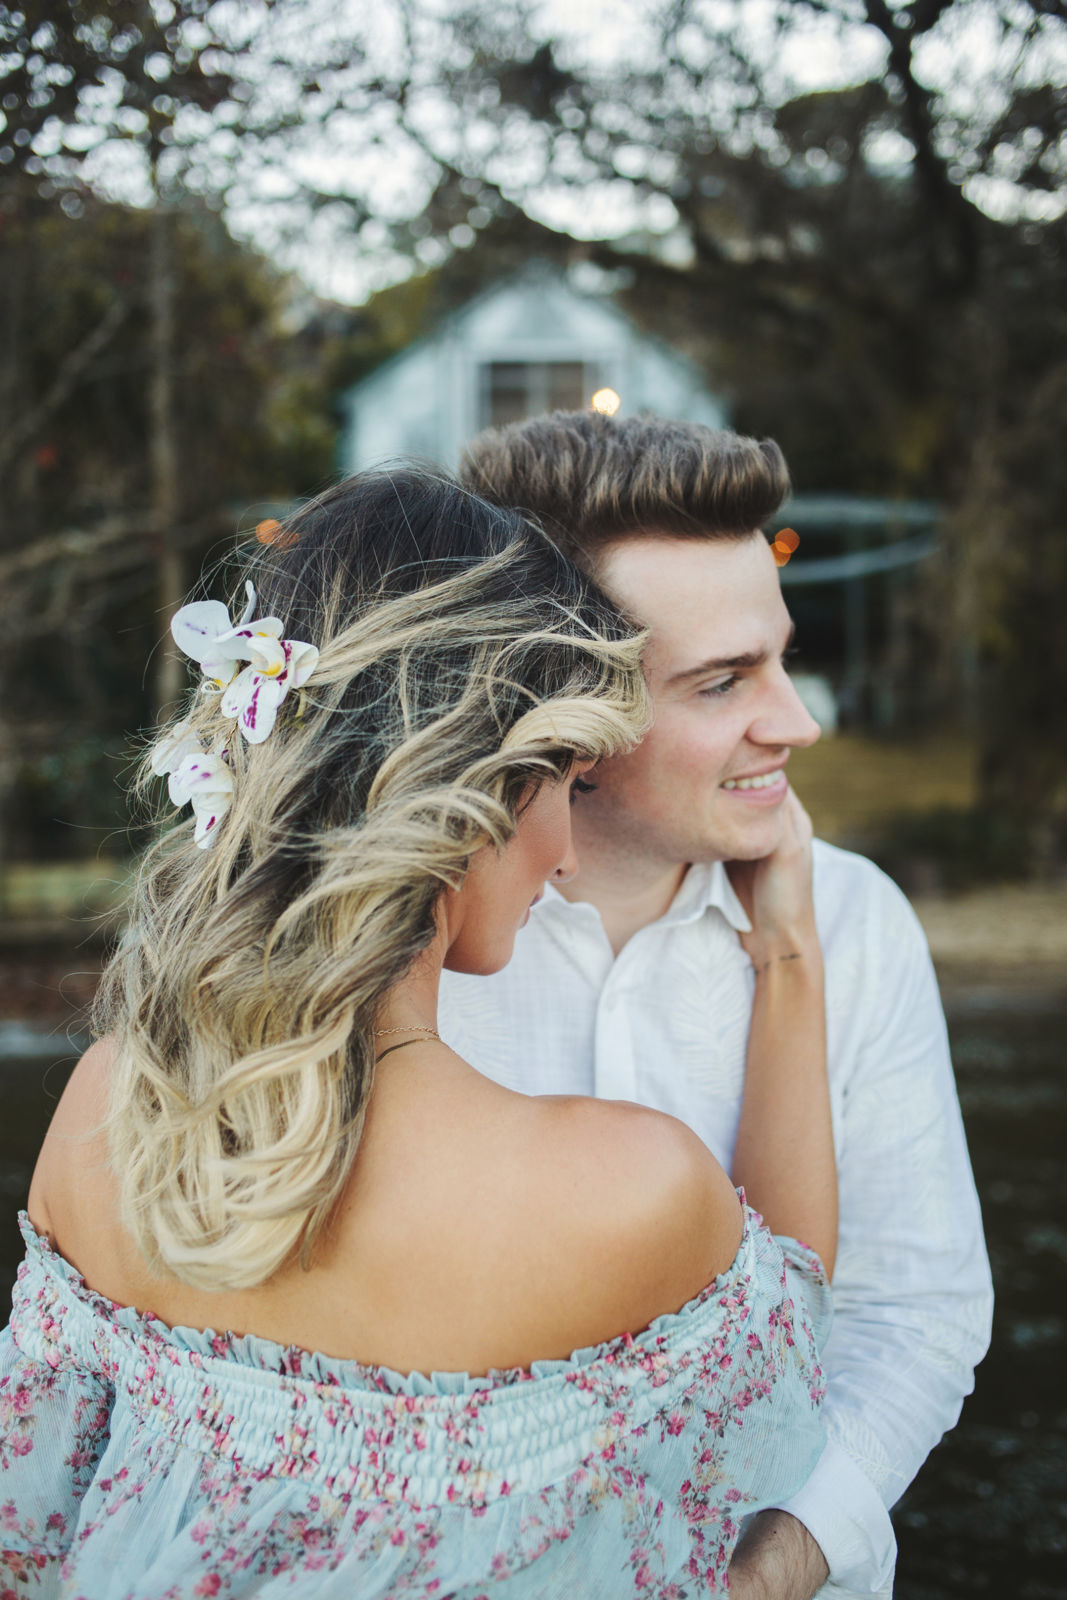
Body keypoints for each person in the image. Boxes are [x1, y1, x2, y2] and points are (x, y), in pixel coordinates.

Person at [2, 469, 837, 1598]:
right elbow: (788, 1359)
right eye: (567, 784)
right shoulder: (624, 1190)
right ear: (476, 794)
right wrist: (786, 947)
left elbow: (29, 1538)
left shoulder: (104, 1113)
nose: (568, 852)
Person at [445, 412, 995, 1600]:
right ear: (562, 716)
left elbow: (914, 1316)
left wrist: (761, 1574)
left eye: (779, 658)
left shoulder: (852, 920)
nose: (794, 721)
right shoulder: (408, 949)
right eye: (720, 680)